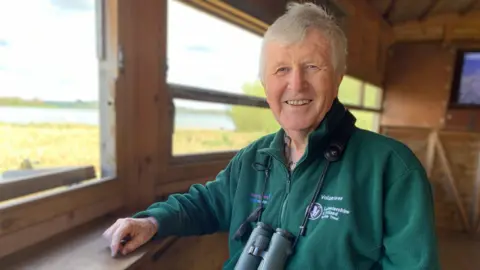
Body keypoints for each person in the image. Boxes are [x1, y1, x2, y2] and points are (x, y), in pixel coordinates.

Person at [103, 2, 440, 269]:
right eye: (281, 70)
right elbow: (208, 202)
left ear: (337, 79)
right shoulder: (253, 158)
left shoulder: (392, 170)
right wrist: (152, 221)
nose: (296, 84)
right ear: (266, 84)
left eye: (312, 67)